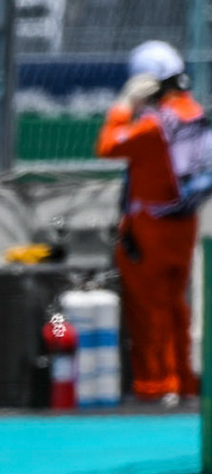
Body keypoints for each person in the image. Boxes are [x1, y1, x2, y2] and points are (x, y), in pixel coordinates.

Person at [96, 40, 206, 406]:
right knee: (177, 306)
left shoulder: (154, 125)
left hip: (149, 228)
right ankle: (183, 384)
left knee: (148, 310)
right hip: (183, 223)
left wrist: (124, 106)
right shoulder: (194, 114)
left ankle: (156, 386)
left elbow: (107, 145)